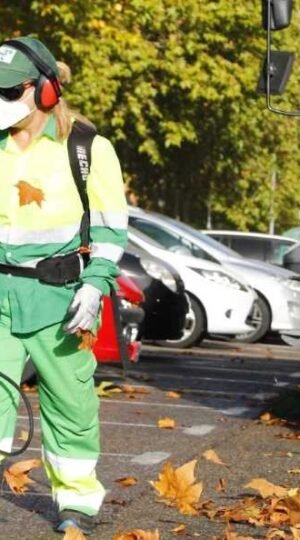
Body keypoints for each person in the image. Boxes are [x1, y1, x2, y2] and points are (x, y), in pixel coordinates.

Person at [0, 36, 127, 534]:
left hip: (60, 299)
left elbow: (111, 230)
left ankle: (76, 502)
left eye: (11, 90)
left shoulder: (88, 150)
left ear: (46, 90)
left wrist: (94, 287)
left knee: (69, 402)